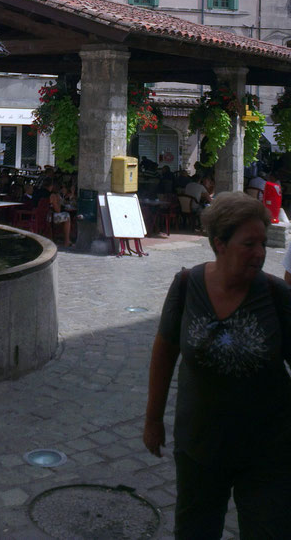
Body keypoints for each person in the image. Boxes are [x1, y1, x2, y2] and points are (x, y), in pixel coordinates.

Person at [143, 192, 291, 540]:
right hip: (199, 447)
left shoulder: (276, 295)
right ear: (219, 244)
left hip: (267, 451)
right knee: (195, 531)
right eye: (249, 244)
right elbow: (165, 352)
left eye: (263, 243)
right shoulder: (186, 285)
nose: (260, 253)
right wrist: (153, 420)